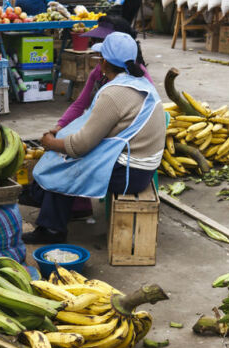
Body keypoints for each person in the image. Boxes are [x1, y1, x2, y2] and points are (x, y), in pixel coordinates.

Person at [21, 32, 166, 244]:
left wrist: (53, 143)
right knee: (66, 151)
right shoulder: (140, 82)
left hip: (130, 174)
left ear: (105, 62)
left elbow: (80, 146)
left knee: (65, 161)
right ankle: (49, 204)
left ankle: (52, 230)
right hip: (144, 167)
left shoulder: (114, 93)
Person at [50, 15, 152, 219]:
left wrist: (55, 142)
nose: (98, 50)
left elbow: (83, 143)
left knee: (68, 155)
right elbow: (80, 104)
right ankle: (65, 205)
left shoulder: (129, 83)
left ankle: (56, 222)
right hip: (116, 142)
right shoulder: (101, 72)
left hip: (125, 149)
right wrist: (60, 126)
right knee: (68, 144)